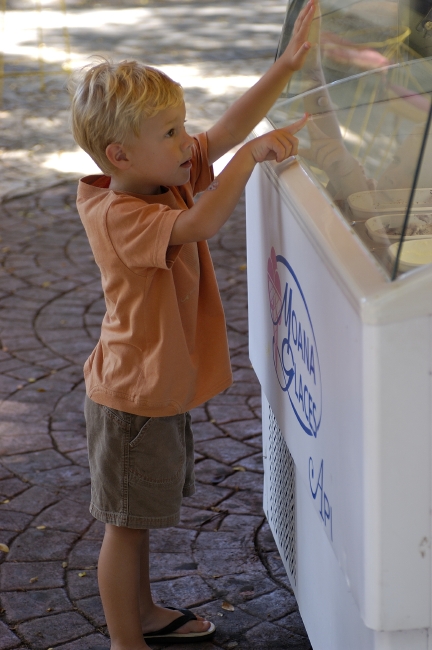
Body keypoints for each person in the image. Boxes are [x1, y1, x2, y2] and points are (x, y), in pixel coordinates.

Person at [68, 2, 315, 648]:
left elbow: (226, 129)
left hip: (155, 387)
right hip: (131, 398)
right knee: (124, 526)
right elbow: (203, 221)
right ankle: (125, 640)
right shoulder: (121, 214)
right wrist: (250, 159)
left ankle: (145, 613)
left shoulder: (159, 177)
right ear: (120, 154)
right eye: (173, 133)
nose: (188, 143)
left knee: (140, 517)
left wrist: (285, 67)